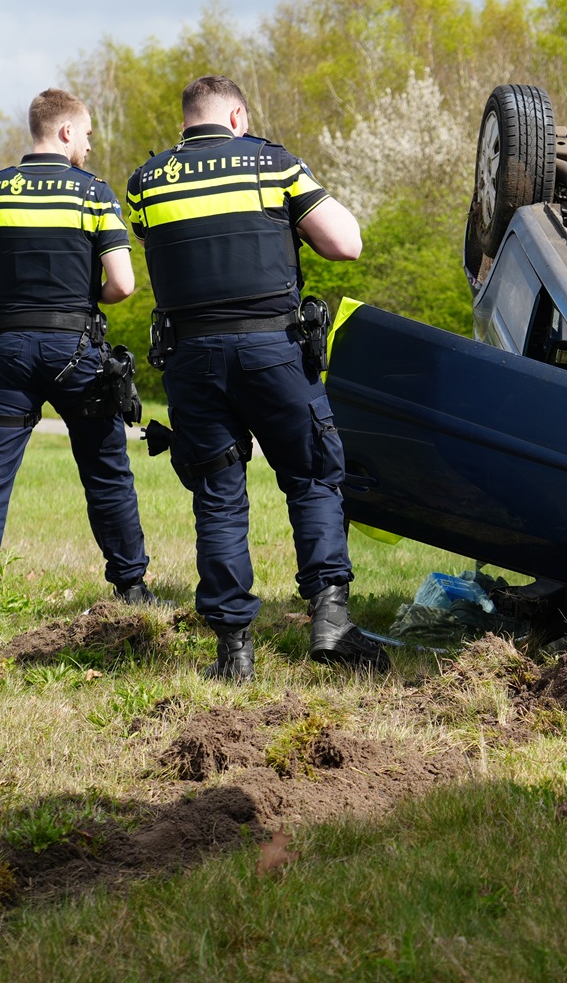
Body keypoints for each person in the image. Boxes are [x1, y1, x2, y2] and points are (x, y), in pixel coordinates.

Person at [126, 75, 378, 682]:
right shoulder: (275, 165)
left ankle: (233, 651)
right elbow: (346, 244)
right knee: (313, 476)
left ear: (186, 122)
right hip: (274, 351)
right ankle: (330, 619)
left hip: (192, 360)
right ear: (237, 116)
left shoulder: (146, 183)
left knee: (217, 495)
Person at [0, 88, 156, 602]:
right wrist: (79, 294)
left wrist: (18, 291)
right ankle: (131, 587)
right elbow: (123, 285)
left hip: (8, 350)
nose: (89, 145)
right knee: (106, 470)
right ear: (66, 132)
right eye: (86, 135)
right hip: (76, 352)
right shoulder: (93, 193)